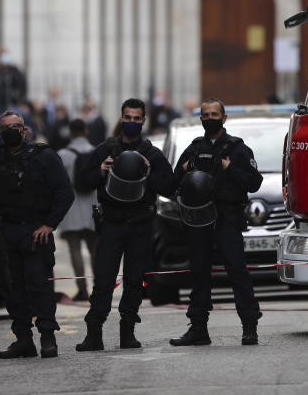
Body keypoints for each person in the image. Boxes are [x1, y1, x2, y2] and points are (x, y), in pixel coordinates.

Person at [75, 98, 176, 352]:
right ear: (121, 119)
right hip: (111, 225)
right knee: (104, 280)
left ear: (143, 120)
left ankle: (127, 332)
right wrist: (100, 170)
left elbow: (171, 187)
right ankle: (94, 333)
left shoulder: (152, 153)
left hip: (140, 225)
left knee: (134, 281)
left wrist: (151, 173)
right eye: (127, 118)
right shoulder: (105, 149)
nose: (131, 122)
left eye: (136, 118)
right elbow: (81, 182)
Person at [0, 110, 74, 359]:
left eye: (15, 126)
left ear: (25, 129)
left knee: (39, 287)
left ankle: (48, 339)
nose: (11, 130)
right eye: (6, 127)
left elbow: (64, 191)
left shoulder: (44, 157)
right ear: (0, 133)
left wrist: (50, 225)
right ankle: (23, 340)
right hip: (6, 234)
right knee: (12, 289)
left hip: (35, 233)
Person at [170, 98, 263, 347]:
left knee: (237, 272)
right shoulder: (193, 148)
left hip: (227, 219)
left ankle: (249, 327)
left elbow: (254, 182)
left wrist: (229, 168)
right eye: (205, 114)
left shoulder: (237, 149)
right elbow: (172, 184)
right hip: (198, 222)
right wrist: (185, 169)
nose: (210, 118)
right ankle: (198, 329)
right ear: (200, 119)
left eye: (214, 114)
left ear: (224, 118)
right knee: (199, 274)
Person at [56, 119, 98, 301]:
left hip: (71, 208)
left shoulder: (63, 155)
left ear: (70, 133)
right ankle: (99, 287)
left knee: (75, 250)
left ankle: (82, 289)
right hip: (92, 207)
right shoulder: (95, 152)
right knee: (95, 249)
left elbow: (57, 183)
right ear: (86, 131)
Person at [0, 48, 27, 114]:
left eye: (5, 55)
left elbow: (22, 87)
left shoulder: (16, 72)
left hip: (14, 105)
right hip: (0, 106)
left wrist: (22, 102)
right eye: (2, 55)